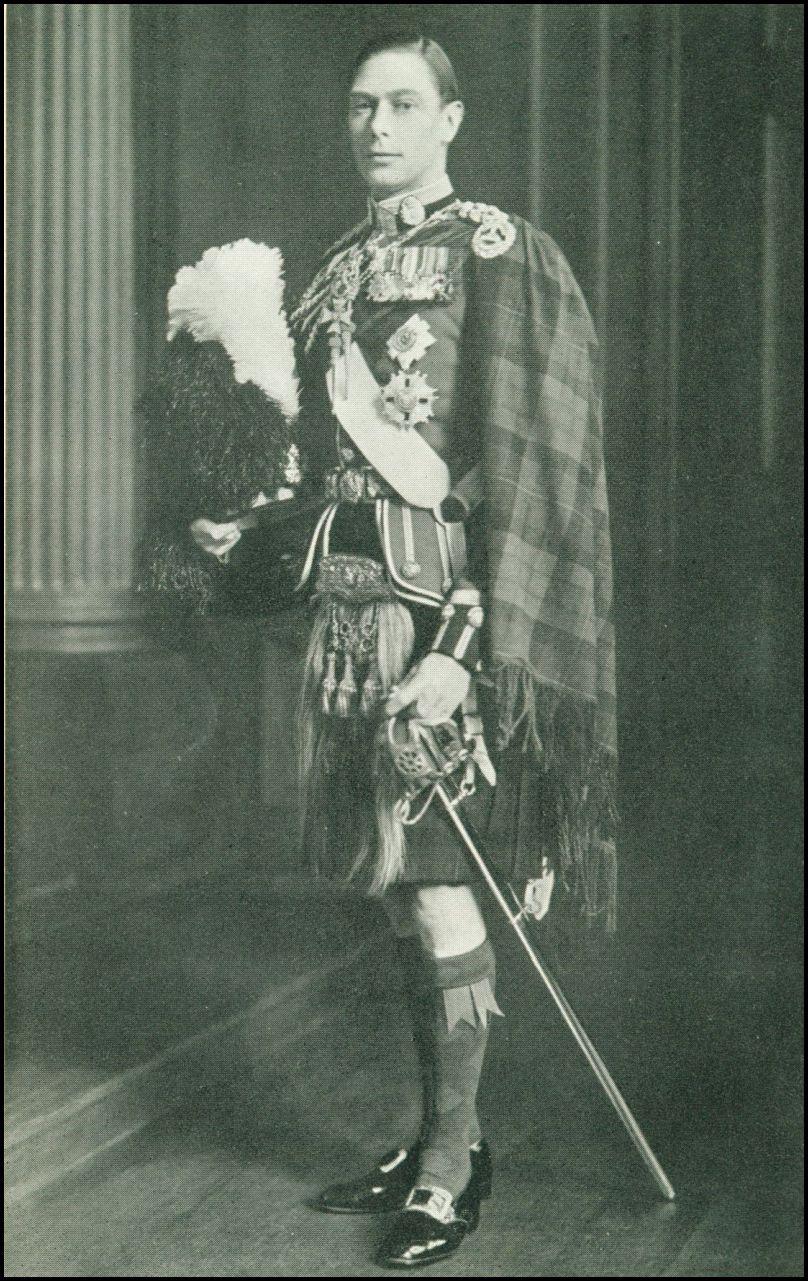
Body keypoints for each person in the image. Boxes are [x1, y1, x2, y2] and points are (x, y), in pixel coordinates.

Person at [189, 31, 617, 1270]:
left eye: (403, 104)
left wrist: (465, 651)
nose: (376, 125)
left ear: (452, 119)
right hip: (346, 624)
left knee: (437, 890)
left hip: (440, 625)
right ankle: (442, 1135)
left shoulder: (498, 255)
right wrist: (255, 522)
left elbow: (521, 479)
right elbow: (330, 471)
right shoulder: (335, 270)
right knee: (395, 894)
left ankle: (447, 1172)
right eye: (361, 105)